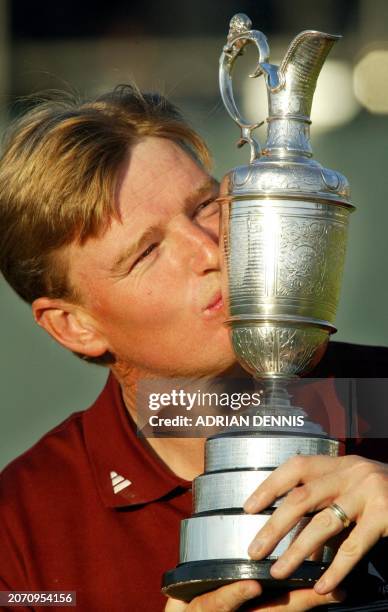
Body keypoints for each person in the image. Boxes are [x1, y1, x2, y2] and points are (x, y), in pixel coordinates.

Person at [0, 85, 387, 612]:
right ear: (75, 326)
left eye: (206, 205)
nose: (211, 249)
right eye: (147, 252)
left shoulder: (378, 392)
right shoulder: (21, 532)